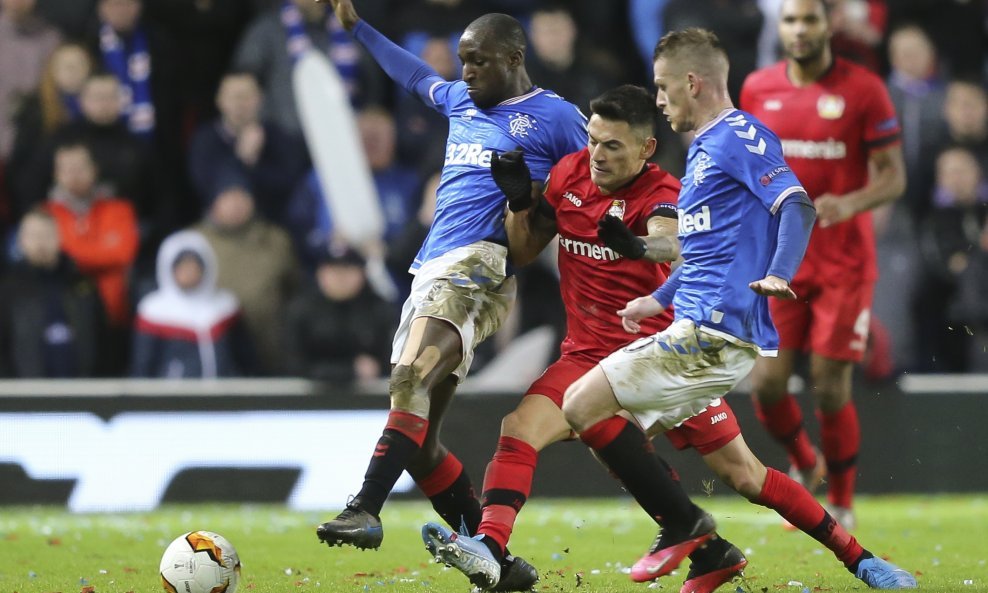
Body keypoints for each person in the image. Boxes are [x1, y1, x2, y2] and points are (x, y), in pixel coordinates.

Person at [562, 28, 916, 590]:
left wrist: (780, 270)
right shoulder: (705, 151)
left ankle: (684, 525)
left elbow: (794, 203)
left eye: (662, 87)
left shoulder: (737, 134)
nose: (657, 100)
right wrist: (655, 298)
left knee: (581, 406)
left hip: (711, 333)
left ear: (692, 82)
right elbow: (703, 252)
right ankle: (859, 559)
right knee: (743, 472)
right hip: (698, 328)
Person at [421, 84, 748, 593]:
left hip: (651, 360)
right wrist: (516, 201)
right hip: (585, 356)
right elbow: (525, 250)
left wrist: (640, 246)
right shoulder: (569, 175)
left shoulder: (662, 191)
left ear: (644, 148)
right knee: (520, 427)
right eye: (592, 140)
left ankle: (850, 554)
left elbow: (673, 242)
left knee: (746, 476)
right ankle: (489, 547)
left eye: (611, 144)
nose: (595, 153)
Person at [313, 3, 586, 592]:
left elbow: (600, 176)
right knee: (420, 442)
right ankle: (498, 563)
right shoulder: (462, 101)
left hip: (481, 266)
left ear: (514, 59)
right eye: (462, 61)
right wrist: (358, 28)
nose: (465, 72)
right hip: (431, 270)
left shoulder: (556, 117)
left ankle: (365, 507)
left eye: (478, 61)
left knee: (408, 378)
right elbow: (413, 75)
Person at [740, 0, 907, 531]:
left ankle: (841, 498)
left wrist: (849, 204)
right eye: (790, 19)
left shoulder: (864, 89)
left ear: (829, 24)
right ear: (781, 27)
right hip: (780, 261)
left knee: (829, 384)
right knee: (766, 384)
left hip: (843, 262)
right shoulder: (757, 88)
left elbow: (893, 177)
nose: (799, 29)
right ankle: (806, 461)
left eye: (809, 18)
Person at [130, 229, 255, 378]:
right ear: (169, 268)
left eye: (194, 266)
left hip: (222, 395)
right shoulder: (153, 311)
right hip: (175, 397)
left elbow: (246, 358)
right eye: (182, 267)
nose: (189, 272)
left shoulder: (225, 306)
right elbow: (142, 366)